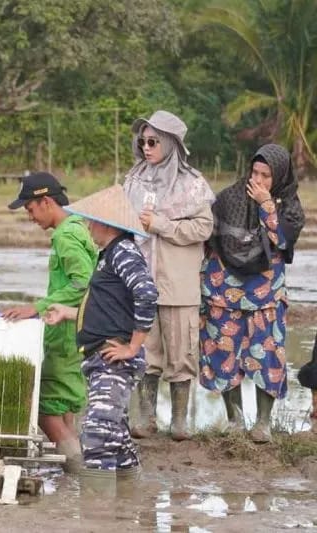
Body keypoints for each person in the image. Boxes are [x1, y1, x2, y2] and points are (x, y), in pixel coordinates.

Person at [43, 184, 158, 494]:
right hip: (101, 357)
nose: (89, 226)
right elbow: (106, 301)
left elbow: (147, 293)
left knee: (96, 432)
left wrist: (133, 347)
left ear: (107, 224)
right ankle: (131, 498)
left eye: (92, 221)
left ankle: (97, 512)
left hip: (114, 358)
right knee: (114, 435)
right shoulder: (109, 254)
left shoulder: (123, 251)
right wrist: (69, 313)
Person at [199, 144, 305, 443]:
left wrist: (267, 205)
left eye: (266, 176)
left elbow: (282, 240)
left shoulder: (290, 207)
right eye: (254, 173)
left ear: (280, 176)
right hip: (224, 290)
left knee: (268, 354)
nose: (257, 180)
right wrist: (206, 287)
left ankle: (262, 424)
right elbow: (211, 242)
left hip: (265, 295)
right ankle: (234, 421)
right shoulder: (227, 198)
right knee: (223, 352)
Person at [123, 110, 215, 441]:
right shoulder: (133, 179)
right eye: (142, 141)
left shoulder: (193, 184)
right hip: (139, 282)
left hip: (179, 284)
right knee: (145, 351)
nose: (146, 147)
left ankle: (179, 420)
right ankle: (146, 419)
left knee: (181, 352)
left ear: (171, 144)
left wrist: (161, 224)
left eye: (153, 141)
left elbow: (204, 227)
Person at [2, 172, 97, 473]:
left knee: (44, 409)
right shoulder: (77, 228)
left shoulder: (65, 236)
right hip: (76, 330)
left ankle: (80, 470)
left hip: (66, 331)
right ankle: (76, 473)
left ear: (46, 202)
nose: (30, 217)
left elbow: (82, 283)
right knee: (64, 405)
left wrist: (37, 307)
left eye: (30, 209)